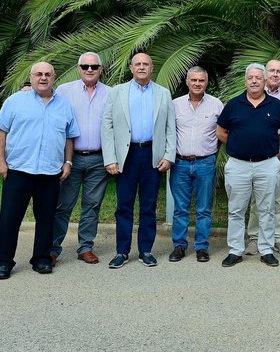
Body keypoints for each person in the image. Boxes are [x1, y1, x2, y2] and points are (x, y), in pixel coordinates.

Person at [0, 62, 78, 280]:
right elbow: (0, 132)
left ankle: (41, 259)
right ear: (30, 77)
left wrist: (68, 162)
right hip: (18, 170)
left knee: (47, 219)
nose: (43, 78)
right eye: (38, 74)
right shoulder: (15, 101)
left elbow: (69, 137)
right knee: (10, 219)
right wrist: (0, 162)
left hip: (50, 173)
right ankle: (3, 262)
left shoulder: (64, 106)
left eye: (47, 74)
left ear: (53, 77)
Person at [102, 52, 176, 269]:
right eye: (138, 64)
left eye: (146, 64)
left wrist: (168, 155)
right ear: (131, 68)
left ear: (152, 68)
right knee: (123, 205)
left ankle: (146, 250)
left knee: (148, 205)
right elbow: (107, 126)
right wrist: (110, 158)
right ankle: (122, 252)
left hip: (152, 154)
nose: (142, 67)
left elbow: (170, 127)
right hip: (127, 155)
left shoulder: (163, 93)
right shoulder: (117, 92)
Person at [216, 63, 280, 268]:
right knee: (236, 210)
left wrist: (270, 144)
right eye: (250, 77)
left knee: (267, 209)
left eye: (258, 78)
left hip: (267, 165)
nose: (254, 81)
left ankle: (266, 249)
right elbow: (220, 131)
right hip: (238, 165)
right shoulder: (234, 104)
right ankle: (235, 250)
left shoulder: (275, 105)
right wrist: (235, 145)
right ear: (245, 80)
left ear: (265, 80)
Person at [50, 52, 109, 266]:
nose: (89, 70)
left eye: (94, 66)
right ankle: (52, 249)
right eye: (85, 66)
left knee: (92, 205)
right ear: (79, 69)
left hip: (99, 160)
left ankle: (85, 248)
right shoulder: (64, 91)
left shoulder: (111, 94)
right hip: (70, 159)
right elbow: (43, 99)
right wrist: (27, 89)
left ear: (101, 69)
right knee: (63, 205)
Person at [169, 66, 223, 263]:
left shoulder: (217, 105)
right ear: (187, 82)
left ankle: (201, 247)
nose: (197, 84)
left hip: (205, 163)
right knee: (180, 208)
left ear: (206, 82)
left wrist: (209, 150)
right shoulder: (174, 105)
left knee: (204, 209)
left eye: (201, 80)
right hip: (180, 164)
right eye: (194, 80)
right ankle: (179, 246)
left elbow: (223, 132)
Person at [245, 59, 280, 256]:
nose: (275, 74)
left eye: (279, 71)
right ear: (265, 74)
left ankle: (279, 238)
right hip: (257, 158)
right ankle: (254, 238)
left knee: (279, 199)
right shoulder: (255, 95)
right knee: (256, 200)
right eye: (272, 71)